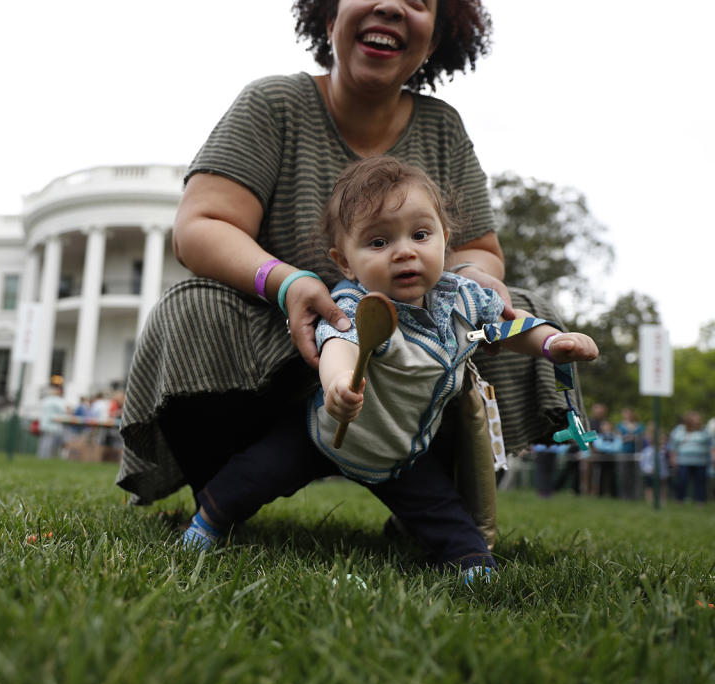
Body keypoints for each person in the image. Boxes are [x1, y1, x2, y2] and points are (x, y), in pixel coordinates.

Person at [117, 0, 586, 518]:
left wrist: (473, 278)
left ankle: (445, 506)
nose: (389, 5)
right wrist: (287, 283)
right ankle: (219, 496)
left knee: (520, 308)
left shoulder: (443, 127)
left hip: (417, 351)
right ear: (329, 18)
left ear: (434, 40)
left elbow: (477, 249)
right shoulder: (273, 103)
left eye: (418, 1)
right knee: (190, 309)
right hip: (280, 340)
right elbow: (200, 226)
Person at [179, 157, 599, 573]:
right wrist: (339, 383)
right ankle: (208, 520)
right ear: (345, 262)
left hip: (401, 454)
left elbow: (506, 327)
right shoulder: (355, 304)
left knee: (449, 520)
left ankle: (472, 564)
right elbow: (339, 346)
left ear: (444, 239)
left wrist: (551, 342)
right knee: (252, 477)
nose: (404, 252)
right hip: (324, 435)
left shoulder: (463, 297)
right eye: (378, 243)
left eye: (420, 234)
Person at [669, 411, 714, 503]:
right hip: (683, 461)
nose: (698, 421)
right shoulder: (680, 430)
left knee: (700, 482)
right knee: (682, 480)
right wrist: (673, 458)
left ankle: (700, 501)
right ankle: (679, 500)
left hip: (701, 461)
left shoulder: (704, 431)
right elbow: (673, 445)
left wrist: (713, 456)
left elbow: (711, 444)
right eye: (695, 419)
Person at [37, 383, 69, 459]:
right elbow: (64, 410)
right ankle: (45, 457)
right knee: (49, 442)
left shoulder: (47, 399)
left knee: (44, 441)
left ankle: (41, 456)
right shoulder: (57, 400)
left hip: (45, 423)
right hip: (52, 424)